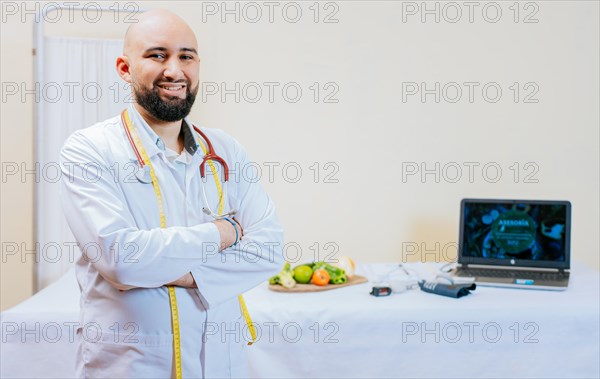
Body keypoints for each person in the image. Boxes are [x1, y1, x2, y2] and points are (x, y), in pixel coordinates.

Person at [59, 9, 284, 378]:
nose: (175, 70)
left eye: (186, 56)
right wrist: (224, 234)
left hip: (219, 362)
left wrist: (171, 271)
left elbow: (268, 250)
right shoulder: (88, 150)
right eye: (157, 55)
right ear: (124, 68)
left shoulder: (226, 150)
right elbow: (121, 258)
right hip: (132, 365)